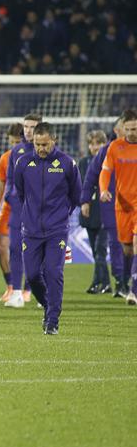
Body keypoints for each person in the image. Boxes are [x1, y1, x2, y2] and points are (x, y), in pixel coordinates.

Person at [15, 121, 82, 333]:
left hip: (57, 230)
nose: (41, 149)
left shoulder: (67, 164)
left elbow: (75, 195)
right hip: (31, 230)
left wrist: (61, 215)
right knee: (33, 275)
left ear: (54, 140)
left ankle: (52, 320)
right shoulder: (23, 163)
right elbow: (20, 192)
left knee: (53, 272)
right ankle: (48, 306)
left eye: (45, 144)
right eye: (37, 144)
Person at [84, 118, 128, 297]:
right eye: (128, 129)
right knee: (115, 245)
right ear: (118, 131)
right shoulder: (107, 151)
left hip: (131, 206)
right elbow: (90, 176)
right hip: (111, 207)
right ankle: (121, 282)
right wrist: (85, 200)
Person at [3, 113, 42, 308]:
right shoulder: (16, 152)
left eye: (32, 127)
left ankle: (41, 292)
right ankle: (16, 293)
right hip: (18, 209)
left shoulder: (49, 152)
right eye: (26, 126)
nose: (27, 130)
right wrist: (9, 196)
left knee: (40, 251)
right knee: (15, 248)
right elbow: (9, 180)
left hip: (41, 211)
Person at [99, 109, 137, 305]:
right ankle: (125, 281)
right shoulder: (115, 147)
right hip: (122, 206)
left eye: (135, 129)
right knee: (128, 249)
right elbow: (105, 171)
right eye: (128, 129)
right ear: (122, 129)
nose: (131, 133)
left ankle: (134, 290)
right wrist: (104, 189)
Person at [0, 123, 23, 302]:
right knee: (1, 246)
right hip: (10, 208)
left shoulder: (32, 157)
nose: (14, 146)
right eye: (12, 142)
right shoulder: (5, 158)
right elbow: (0, 184)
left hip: (29, 209)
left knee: (28, 248)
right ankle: (10, 286)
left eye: (17, 142)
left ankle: (27, 288)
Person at [78, 130, 110, 294]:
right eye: (91, 143)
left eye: (98, 143)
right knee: (95, 250)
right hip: (89, 212)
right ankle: (103, 282)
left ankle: (101, 283)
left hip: (105, 211)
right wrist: (83, 202)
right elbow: (81, 185)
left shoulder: (110, 161)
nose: (94, 147)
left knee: (100, 250)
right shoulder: (83, 163)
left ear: (105, 144)